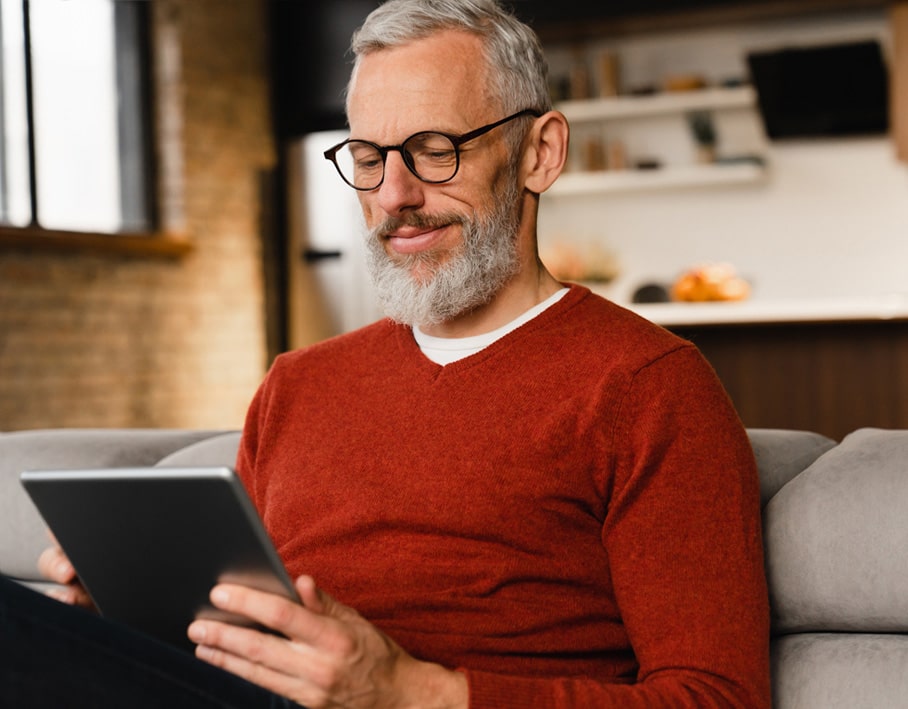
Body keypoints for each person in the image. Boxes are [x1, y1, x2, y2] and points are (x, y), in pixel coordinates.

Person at [4, 0, 771, 707]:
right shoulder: (298, 384)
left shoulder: (647, 387)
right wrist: (132, 618)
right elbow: (239, 622)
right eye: (368, 157)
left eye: (434, 151)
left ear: (540, 152)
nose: (393, 194)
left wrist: (409, 691)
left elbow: (718, 698)